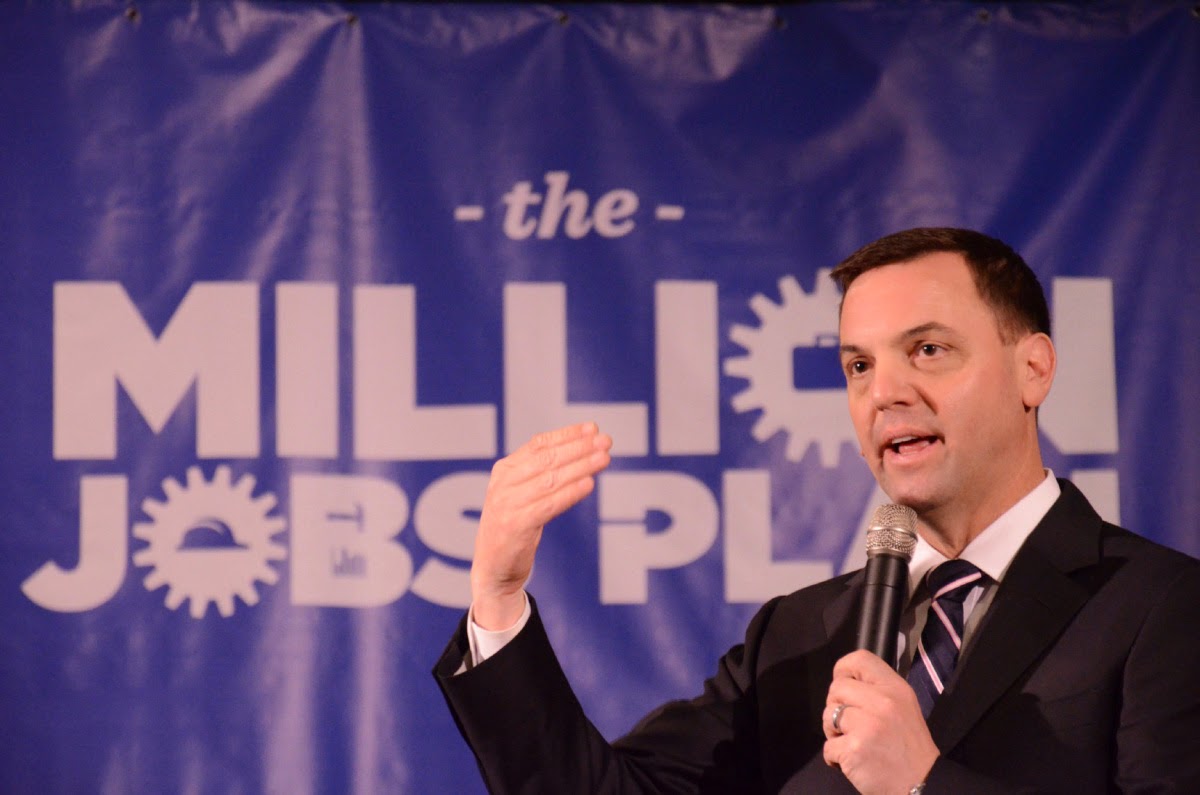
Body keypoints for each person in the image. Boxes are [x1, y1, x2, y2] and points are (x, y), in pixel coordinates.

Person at [433, 228, 1200, 794]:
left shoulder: (1160, 606)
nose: (884, 391)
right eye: (859, 365)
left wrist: (923, 782)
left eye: (928, 350)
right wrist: (498, 600)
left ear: (1033, 369)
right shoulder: (798, 634)